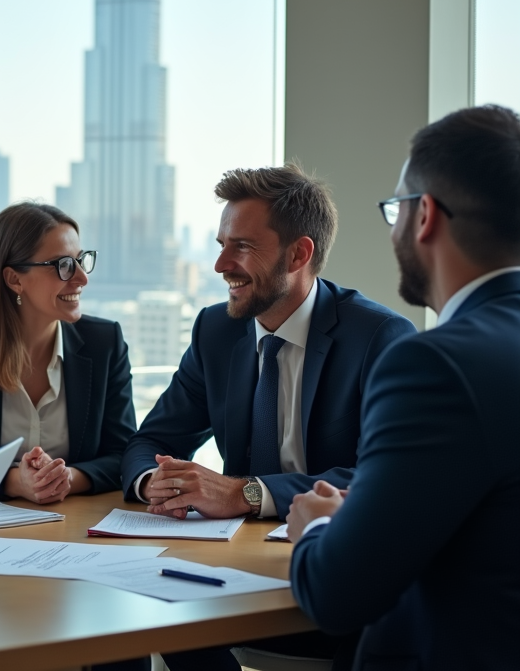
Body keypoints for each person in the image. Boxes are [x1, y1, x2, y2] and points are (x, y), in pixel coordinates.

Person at [120, 165, 414, 671]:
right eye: (220, 243)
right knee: (146, 613)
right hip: (234, 567)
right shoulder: (216, 330)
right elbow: (151, 438)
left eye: (242, 247)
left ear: (299, 253)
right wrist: (155, 483)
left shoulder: (380, 338)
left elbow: (383, 477)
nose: (219, 265)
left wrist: (245, 493)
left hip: (326, 574)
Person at [287, 105, 520, 671]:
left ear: (425, 217)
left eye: (395, 209)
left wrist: (315, 525)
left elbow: (338, 594)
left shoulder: (433, 365)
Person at [0, 202, 137, 504]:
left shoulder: (104, 343)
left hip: (76, 526)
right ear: (14, 279)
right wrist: (15, 482)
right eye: (63, 265)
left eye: (80, 261)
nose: (82, 278)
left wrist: (67, 479)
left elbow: (123, 453)